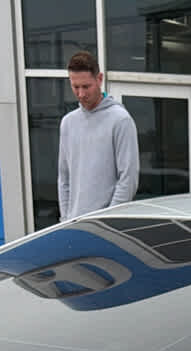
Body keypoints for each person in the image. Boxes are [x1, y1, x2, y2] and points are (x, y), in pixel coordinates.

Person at [56, 50, 139, 222]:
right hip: (74, 226)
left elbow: (128, 179)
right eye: (75, 87)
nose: (81, 94)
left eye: (86, 86)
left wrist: (107, 221)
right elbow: (64, 178)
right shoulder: (68, 123)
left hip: (108, 228)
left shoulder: (121, 120)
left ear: (99, 79)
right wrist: (65, 220)